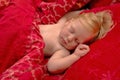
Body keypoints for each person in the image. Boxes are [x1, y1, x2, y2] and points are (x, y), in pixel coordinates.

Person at [39, 10, 113, 74]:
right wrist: (82, 11)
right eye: (71, 30)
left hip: (29, 44)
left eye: (77, 40)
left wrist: (75, 56)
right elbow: (67, 16)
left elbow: (52, 67)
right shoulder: (60, 24)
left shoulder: (63, 50)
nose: (70, 38)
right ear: (69, 22)